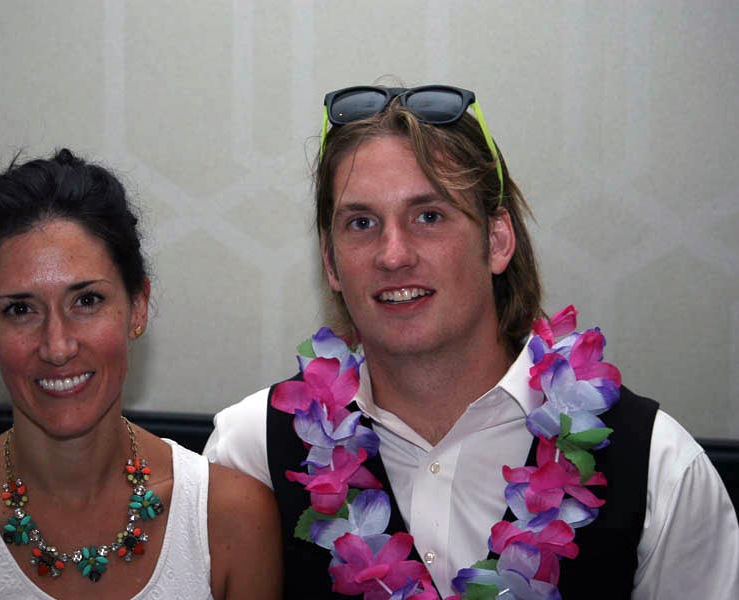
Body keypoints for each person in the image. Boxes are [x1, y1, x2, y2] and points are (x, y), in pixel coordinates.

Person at [203, 84, 739, 599]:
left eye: (429, 216)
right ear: (331, 262)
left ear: (498, 240)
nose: (393, 255)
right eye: (361, 223)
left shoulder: (660, 467)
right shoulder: (250, 453)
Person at [0, 148, 282, 599]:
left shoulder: (232, 519)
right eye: (20, 310)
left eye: (86, 301)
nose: (57, 347)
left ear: (138, 306)